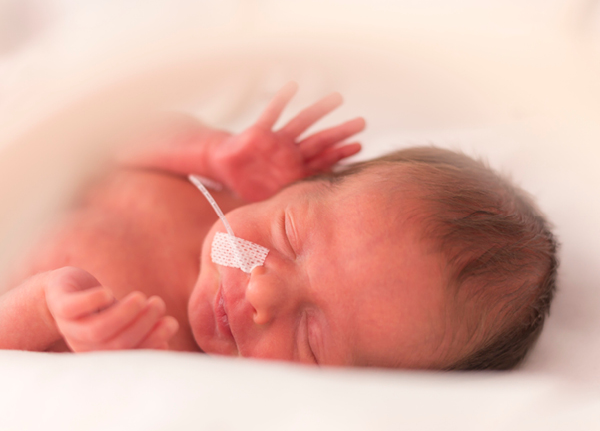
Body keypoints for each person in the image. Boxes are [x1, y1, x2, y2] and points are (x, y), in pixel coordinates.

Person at [0, 82, 558, 370]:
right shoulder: (222, 183)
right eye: (291, 235)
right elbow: (99, 133)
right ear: (307, 183)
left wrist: (45, 309)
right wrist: (210, 149)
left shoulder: (151, 346)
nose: (262, 289)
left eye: (311, 338)